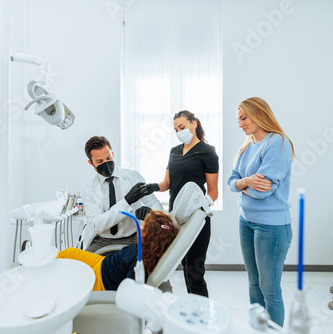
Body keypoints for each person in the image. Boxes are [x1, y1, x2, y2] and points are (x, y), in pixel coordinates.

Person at [227, 97, 295, 327]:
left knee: (269, 288)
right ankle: (259, 329)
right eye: (238, 120)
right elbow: (230, 181)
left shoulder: (278, 143)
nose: (240, 124)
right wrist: (246, 181)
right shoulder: (246, 146)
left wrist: (241, 185)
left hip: (272, 226)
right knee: (254, 283)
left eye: (243, 118)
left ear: (259, 114)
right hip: (245, 221)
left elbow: (262, 192)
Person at [145, 110, 219, 297]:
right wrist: (151, 187)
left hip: (196, 221)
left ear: (194, 124)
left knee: (195, 272)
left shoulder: (207, 152)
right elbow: (166, 184)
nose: (179, 131)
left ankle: (200, 317)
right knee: (182, 266)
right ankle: (188, 311)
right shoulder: (174, 152)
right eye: (176, 129)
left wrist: (202, 208)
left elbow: (213, 191)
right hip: (175, 219)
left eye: (182, 127)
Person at [56, 210, 178, 291]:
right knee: (69, 252)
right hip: (104, 262)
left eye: (144, 226)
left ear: (149, 236)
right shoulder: (143, 247)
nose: (140, 226)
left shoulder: (140, 262)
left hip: (101, 279)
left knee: (70, 278)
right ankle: (44, 268)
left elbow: (129, 291)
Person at [81, 136, 163, 253]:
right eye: (100, 161)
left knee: (142, 266)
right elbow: (98, 225)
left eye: (108, 158)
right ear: (91, 162)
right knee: (85, 266)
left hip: (133, 238)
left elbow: (155, 203)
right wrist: (127, 201)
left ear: (113, 154)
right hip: (103, 241)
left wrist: (152, 214)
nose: (106, 163)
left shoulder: (133, 177)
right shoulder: (88, 189)